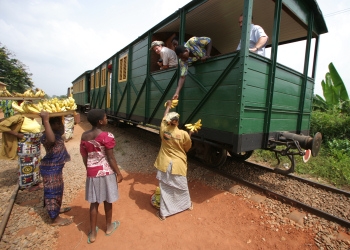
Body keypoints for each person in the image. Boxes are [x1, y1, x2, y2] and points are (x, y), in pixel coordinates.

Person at [80, 109, 123, 244]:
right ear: (100, 121)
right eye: (105, 118)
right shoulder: (107, 136)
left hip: (92, 173)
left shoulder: (84, 136)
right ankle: (109, 227)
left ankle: (93, 233)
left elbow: (84, 156)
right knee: (107, 200)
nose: (107, 119)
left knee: (94, 203)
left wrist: (89, 169)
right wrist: (118, 173)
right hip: (106, 173)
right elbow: (110, 158)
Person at [154, 100, 193, 221]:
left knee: (165, 188)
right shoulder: (183, 134)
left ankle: (164, 213)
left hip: (164, 164)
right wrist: (190, 133)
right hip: (178, 165)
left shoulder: (163, 130)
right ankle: (186, 205)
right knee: (182, 187)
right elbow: (187, 147)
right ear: (177, 122)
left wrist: (168, 107)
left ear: (169, 121)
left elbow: (164, 118)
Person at [39, 111, 73, 226]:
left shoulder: (56, 133)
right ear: (49, 125)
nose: (59, 125)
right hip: (50, 170)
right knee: (52, 193)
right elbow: (52, 140)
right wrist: (46, 120)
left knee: (58, 190)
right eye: (57, 123)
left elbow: (62, 131)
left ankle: (56, 209)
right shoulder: (46, 137)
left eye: (60, 122)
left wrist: (60, 117)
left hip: (56, 169)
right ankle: (55, 218)